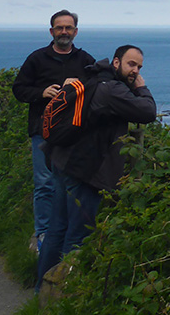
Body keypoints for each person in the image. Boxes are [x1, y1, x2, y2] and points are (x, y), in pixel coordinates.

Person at [36, 44, 156, 290]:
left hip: (62, 160)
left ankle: (41, 289)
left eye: (139, 67)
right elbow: (147, 111)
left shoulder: (92, 75)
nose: (135, 70)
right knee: (78, 237)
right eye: (131, 64)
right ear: (116, 62)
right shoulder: (111, 90)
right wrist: (141, 87)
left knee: (57, 228)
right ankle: (63, 297)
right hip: (84, 172)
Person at [12, 10, 95, 251]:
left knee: (73, 182)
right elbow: (19, 90)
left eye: (69, 28)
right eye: (59, 28)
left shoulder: (85, 60)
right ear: (51, 31)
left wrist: (77, 87)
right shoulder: (37, 59)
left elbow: (95, 90)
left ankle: (68, 233)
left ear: (76, 32)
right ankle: (44, 234)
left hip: (73, 133)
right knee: (44, 183)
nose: (64, 32)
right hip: (42, 131)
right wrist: (41, 92)